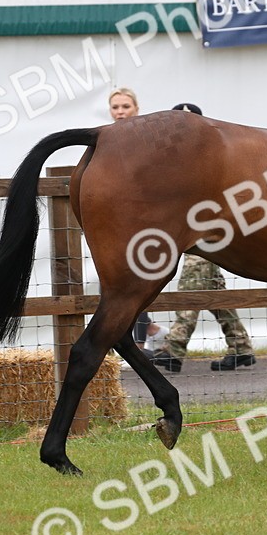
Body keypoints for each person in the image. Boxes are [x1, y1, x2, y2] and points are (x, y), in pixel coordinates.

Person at [151, 103, 258, 374]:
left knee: (190, 291)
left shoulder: (211, 155)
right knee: (214, 294)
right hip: (193, 235)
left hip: (205, 235)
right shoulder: (171, 158)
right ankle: (241, 348)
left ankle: (173, 350)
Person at [107, 87, 168, 357]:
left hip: (146, 222)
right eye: (116, 107)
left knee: (136, 281)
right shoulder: (107, 140)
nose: (120, 112)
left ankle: (141, 343)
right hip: (120, 223)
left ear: (137, 109)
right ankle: (151, 331)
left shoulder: (146, 139)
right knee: (121, 283)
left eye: (125, 107)